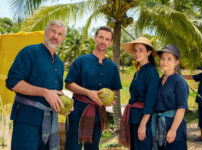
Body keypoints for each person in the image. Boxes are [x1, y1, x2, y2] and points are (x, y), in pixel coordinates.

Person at [6, 20, 73, 150]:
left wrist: (64, 104)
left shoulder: (59, 63)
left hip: (50, 121)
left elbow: (55, 92)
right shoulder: (30, 52)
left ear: (63, 39)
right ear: (46, 32)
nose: (55, 36)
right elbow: (12, 82)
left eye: (60, 34)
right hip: (27, 120)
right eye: (53, 31)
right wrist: (44, 92)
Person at [64, 26, 122, 150]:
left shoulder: (112, 67)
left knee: (93, 147)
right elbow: (68, 84)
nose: (103, 41)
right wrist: (88, 93)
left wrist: (112, 99)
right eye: (101, 37)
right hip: (78, 113)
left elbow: (115, 90)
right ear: (95, 38)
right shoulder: (81, 61)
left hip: (98, 115)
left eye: (107, 39)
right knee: (72, 147)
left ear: (110, 43)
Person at [119, 37, 159, 150]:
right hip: (134, 116)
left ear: (149, 52)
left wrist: (143, 125)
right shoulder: (139, 71)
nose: (137, 53)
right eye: (135, 51)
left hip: (143, 118)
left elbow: (151, 100)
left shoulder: (151, 72)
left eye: (141, 50)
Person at [152, 44, 189, 150]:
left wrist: (173, 130)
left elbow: (181, 108)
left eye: (169, 59)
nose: (164, 62)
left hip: (174, 127)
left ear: (176, 62)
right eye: (162, 58)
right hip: (160, 126)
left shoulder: (179, 81)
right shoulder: (159, 81)